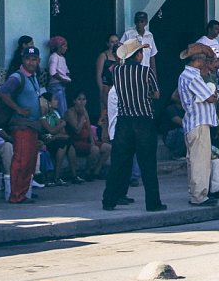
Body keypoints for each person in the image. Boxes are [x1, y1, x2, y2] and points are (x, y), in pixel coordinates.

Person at [102, 38, 165, 212]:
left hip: (124, 120)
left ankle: (109, 200)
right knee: (148, 164)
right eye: (141, 52)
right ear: (137, 55)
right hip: (143, 119)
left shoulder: (116, 71)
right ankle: (153, 203)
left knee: (119, 162)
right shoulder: (146, 72)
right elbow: (156, 94)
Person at [177, 42, 219, 207]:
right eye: (204, 59)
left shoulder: (184, 76)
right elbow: (210, 97)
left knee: (194, 160)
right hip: (199, 123)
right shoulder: (193, 77)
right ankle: (199, 195)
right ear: (198, 60)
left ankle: (195, 192)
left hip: (192, 122)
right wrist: (213, 95)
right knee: (200, 161)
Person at [0, 46, 43, 203]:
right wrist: (18, 108)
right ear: (23, 60)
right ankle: (16, 195)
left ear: (38, 61)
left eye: (34, 59)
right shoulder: (17, 77)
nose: (30, 62)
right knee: (21, 160)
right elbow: (3, 92)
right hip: (21, 125)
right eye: (27, 59)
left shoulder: (33, 77)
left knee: (30, 161)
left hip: (32, 125)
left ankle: (23, 193)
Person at [65, 90, 110, 181]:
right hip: (75, 141)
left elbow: (89, 128)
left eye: (84, 99)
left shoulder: (84, 111)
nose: (82, 102)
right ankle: (87, 172)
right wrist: (82, 116)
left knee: (108, 147)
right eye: (79, 99)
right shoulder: (70, 112)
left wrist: (93, 141)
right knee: (94, 150)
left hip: (86, 140)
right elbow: (77, 130)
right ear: (74, 101)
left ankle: (96, 172)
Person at [39, 92, 76, 185]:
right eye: (55, 99)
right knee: (62, 144)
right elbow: (51, 130)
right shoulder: (42, 115)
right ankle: (56, 176)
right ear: (48, 103)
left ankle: (74, 175)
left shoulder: (55, 113)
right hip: (45, 140)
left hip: (54, 139)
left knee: (69, 144)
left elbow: (62, 131)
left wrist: (58, 131)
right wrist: (61, 126)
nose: (57, 101)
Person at [121, 11, 158, 76]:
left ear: (146, 23)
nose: (139, 24)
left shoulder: (149, 36)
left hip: (146, 72)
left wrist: (154, 75)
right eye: (137, 21)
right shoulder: (128, 34)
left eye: (141, 21)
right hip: (131, 72)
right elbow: (121, 54)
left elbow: (152, 57)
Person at [95, 34, 120, 123]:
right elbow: (98, 74)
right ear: (108, 44)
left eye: (116, 41)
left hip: (116, 87)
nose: (115, 44)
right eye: (112, 42)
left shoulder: (120, 56)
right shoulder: (103, 55)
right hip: (106, 87)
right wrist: (101, 90)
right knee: (105, 112)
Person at [47, 36, 72, 116]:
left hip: (61, 86)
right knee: (60, 110)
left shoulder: (62, 58)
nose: (66, 48)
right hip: (55, 86)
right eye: (64, 46)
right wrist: (63, 79)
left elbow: (67, 71)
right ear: (58, 47)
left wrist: (67, 77)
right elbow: (52, 72)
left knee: (64, 109)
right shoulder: (54, 57)